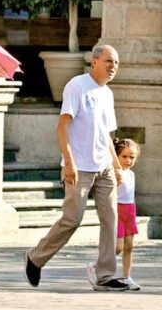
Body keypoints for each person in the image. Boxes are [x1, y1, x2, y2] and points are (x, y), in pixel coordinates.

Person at [23, 45, 130, 291]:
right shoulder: (77, 86)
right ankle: (36, 257)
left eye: (116, 63)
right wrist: (68, 163)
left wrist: (115, 165)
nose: (113, 67)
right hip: (79, 167)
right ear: (94, 61)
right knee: (72, 219)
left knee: (110, 219)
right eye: (108, 61)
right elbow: (62, 127)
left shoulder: (107, 93)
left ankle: (105, 275)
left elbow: (107, 134)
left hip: (104, 167)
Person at [113, 138, 142, 291]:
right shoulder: (115, 173)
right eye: (124, 156)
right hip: (117, 210)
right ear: (116, 156)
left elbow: (131, 195)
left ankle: (126, 276)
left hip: (129, 211)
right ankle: (99, 267)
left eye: (132, 157)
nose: (129, 160)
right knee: (117, 247)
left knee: (129, 246)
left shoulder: (131, 174)